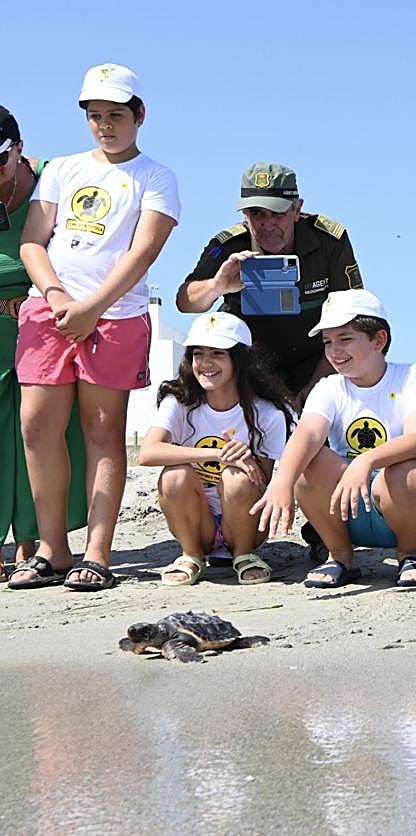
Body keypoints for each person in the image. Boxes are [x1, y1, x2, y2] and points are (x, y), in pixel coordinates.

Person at [14, 63, 180, 592]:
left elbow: (144, 250)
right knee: (37, 426)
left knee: (103, 432)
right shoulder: (61, 168)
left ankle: (98, 552)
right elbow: (33, 241)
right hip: (51, 311)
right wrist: (58, 295)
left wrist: (93, 307)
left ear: (139, 115)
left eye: (114, 115)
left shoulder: (155, 176)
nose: (104, 125)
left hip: (117, 315)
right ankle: (51, 548)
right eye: (94, 116)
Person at [178, 162, 363, 562]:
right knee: (246, 446)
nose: (268, 224)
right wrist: (218, 286)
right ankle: (242, 528)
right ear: (244, 215)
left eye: (278, 212)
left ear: (297, 208)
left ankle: (322, 530)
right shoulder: (227, 246)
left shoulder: (329, 239)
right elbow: (185, 299)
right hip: (252, 367)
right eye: (256, 214)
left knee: (321, 437)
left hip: (316, 358)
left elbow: (351, 312)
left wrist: (315, 387)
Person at [252, 290, 416, 589]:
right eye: (327, 342)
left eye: (345, 338)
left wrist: (366, 460)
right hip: (345, 507)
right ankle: (340, 556)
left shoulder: (409, 376)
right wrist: (281, 482)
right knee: (308, 465)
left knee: (407, 471)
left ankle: (410, 555)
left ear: (379, 340)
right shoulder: (329, 387)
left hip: (400, 504)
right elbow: (308, 434)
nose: (334, 351)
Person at [0, 107, 87, 585]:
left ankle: (35, 540)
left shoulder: (57, 179)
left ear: (18, 148)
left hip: (47, 317)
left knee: (47, 428)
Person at [139, 313, 291, 586]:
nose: (205, 364)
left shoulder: (267, 414)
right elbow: (147, 453)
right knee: (174, 475)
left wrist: (247, 461)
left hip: (244, 522)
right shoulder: (179, 402)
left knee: (238, 476)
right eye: (198, 354)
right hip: (197, 522)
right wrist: (216, 454)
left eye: (217, 354)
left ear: (239, 359)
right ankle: (191, 555)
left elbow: (264, 483)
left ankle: (244, 555)